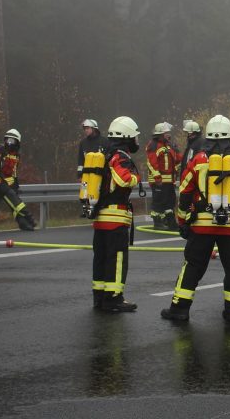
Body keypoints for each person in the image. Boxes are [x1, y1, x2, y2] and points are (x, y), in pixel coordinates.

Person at [161, 115, 230, 322]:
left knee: (193, 266)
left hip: (201, 226)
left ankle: (179, 310)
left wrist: (183, 221)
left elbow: (185, 191)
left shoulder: (198, 161)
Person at [92, 116, 142, 312]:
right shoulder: (120, 156)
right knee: (117, 258)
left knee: (101, 258)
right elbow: (124, 179)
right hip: (115, 217)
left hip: (101, 216)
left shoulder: (104, 154)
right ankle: (113, 299)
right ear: (127, 136)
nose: (136, 140)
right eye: (135, 137)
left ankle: (99, 297)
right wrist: (137, 178)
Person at [0, 129, 35, 231]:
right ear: (5, 140)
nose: (9, 143)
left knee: (13, 198)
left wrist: (16, 185)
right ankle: (28, 217)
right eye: (8, 140)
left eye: (12, 141)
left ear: (17, 143)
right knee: (11, 196)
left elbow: (14, 172)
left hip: (5, 182)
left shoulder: (16, 155)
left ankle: (23, 223)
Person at [146, 122, 181, 230]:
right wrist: (157, 177)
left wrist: (177, 152)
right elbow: (151, 162)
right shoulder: (153, 145)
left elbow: (177, 160)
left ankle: (169, 221)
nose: (169, 135)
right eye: (167, 133)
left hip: (169, 180)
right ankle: (158, 222)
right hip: (159, 181)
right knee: (159, 202)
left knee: (170, 201)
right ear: (160, 134)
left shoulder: (169, 145)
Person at [77, 119, 109, 217]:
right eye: (84, 129)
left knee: (100, 192)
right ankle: (87, 210)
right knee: (85, 192)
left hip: (100, 173)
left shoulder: (104, 141)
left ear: (94, 129)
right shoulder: (83, 143)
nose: (85, 130)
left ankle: (99, 212)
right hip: (86, 174)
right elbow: (80, 160)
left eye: (87, 128)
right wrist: (79, 174)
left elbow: (108, 157)